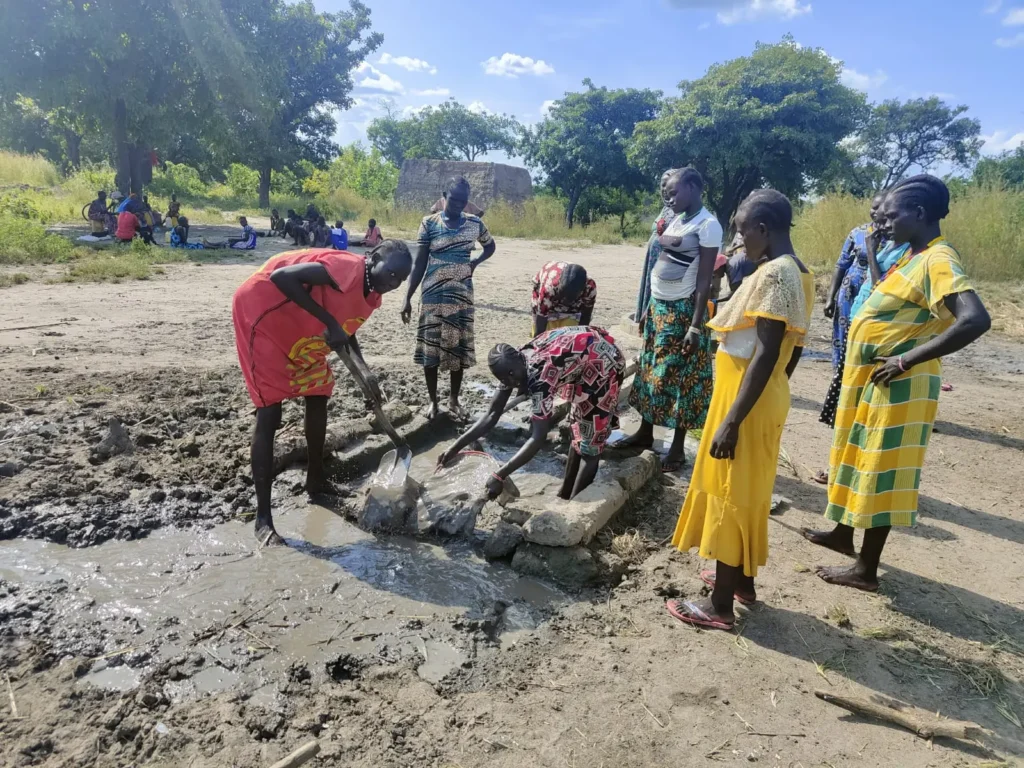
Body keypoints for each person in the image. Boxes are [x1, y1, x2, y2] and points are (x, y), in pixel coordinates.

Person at [802, 175, 991, 592]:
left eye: (891, 217)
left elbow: (975, 319)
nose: (882, 225)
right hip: (872, 383)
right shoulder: (911, 255)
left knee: (882, 472)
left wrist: (906, 359)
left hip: (899, 387)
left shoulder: (939, 260)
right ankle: (842, 535)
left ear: (919, 214)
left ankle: (866, 570)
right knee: (856, 457)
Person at [667, 190, 814, 631]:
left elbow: (768, 354)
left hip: (744, 404)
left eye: (742, 229)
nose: (738, 238)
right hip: (755, 397)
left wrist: (733, 419)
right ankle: (741, 583)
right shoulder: (796, 272)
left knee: (732, 495)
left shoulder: (777, 277)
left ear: (764, 229)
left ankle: (719, 607)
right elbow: (792, 352)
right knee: (745, 492)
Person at [232, 241, 414, 545]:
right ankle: (263, 519)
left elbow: (347, 327)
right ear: (374, 257)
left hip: (302, 325)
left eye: (401, 280)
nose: (394, 283)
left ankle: (316, 481)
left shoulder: (373, 292)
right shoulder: (346, 268)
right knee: (270, 412)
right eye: (391, 273)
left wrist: (365, 370)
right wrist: (329, 322)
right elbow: (282, 278)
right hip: (263, 314)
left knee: (319, 393)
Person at [613, 168, 722, 473]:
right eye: (667, 193)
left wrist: (695, 326)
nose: (669, 198)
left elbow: (704, 281)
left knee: (681, 378)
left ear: (693, 186)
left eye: (674, 192)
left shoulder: (708, 225)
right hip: (660, 308)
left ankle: (676, 450)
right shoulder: (678, 219)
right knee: (650, 369)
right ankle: (645, 434)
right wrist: (649, 305)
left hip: (683, 311)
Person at [437, 327, 625, 500]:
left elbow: (537, 437)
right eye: (502, 380)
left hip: (603, 365)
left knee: (591, 447)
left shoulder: (540, 377)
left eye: (508, 379)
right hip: (580, 364)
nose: (507, 384)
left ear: (512, 372)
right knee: (579, 432)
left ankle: (576, 506)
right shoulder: (514, 362)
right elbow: (491, 414)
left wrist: (499, 475)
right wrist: (454, 448)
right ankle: (564, 495)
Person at [402, 176, 496, 421]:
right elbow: (420, 262)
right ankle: (433, 401)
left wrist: (476, 262)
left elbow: (490, 246)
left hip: (461, 297)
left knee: (457, 351)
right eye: (453, 200)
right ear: (444, 196)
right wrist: (407, 297)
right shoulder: (429, 223)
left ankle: (454, 399)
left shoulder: (475, 223)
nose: (457, 205)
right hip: (432, 295)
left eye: (462, 201)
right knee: (430, 350)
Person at [819, 194, 886, 427]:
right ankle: (840, 391)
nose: (875, 212)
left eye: (880, 208)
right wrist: (831, 297)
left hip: (874, 295)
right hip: (849, 294)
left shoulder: (896, 238)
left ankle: (859, 396)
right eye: (873, 207)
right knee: (841, 341)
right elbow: (841, 265)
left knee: (862, 345)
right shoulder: (858, 232)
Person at [634, 169, 679, 324]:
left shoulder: (681, 210)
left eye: (668, 185)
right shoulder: (666, 209)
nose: (665, 190)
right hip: (653, 259)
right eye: (662, 185)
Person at [530, 261, 596, 336]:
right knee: (546, 335)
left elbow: (585, 315)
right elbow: (541, 317)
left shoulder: (590, 288)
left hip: (574, 305)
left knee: (570, 335)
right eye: (563, 295)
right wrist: (538, 342)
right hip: (549, 292)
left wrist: (580, 337)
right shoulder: (549, 287)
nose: (564, 301)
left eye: (569, 298)